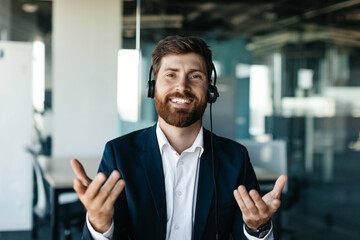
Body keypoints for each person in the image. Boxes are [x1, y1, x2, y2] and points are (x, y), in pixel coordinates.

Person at [71, 35, 287, 240]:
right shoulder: (120, 153)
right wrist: (99, 224)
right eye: (171, 75)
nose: (182, 87)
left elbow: (246, 230)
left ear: (210, 90)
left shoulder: (234, 158)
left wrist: (257, 228)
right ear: (153, 87)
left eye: (195, 76)